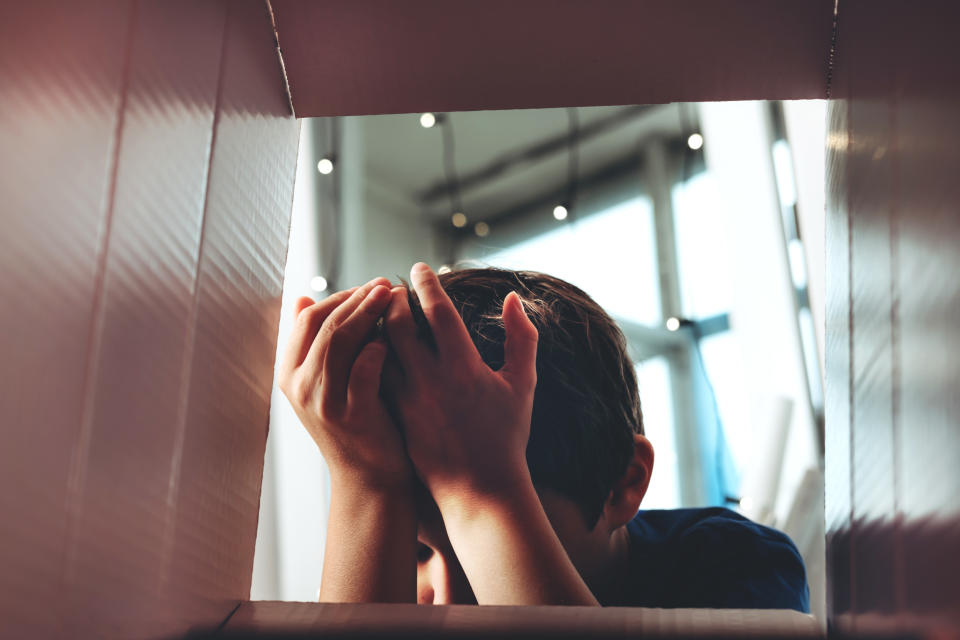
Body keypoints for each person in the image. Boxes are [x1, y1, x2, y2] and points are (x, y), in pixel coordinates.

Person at [277, 263, 809, 610]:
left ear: (624, 483)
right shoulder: (389, 585)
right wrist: (364, 482)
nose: (446, 603)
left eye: (478, 538)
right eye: (416, 552)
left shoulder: (739, 566)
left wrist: (487, 490)